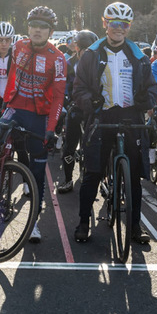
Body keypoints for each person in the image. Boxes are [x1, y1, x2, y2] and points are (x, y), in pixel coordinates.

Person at [73, 2, 156, 244]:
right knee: (93, 173)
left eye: (124, 24)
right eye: (114, 23)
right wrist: (91, 101)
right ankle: (83, 221)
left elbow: (152, 87)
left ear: (129, 27)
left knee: (133, 176)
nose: (119, 29)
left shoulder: (139, 56)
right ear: (104, 23)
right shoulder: (91, 54)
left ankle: (134, 225)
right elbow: (77, 90)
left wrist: (146, 99)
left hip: (131, 117)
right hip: (101, 116)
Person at [0, 6, 66, 244]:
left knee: (38, 173)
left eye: (43, 27)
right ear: (28, 27)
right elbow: (11, 74)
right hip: (15, 108)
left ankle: (34, 223)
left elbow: (59, 97)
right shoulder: (18, 47)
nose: (37, 30)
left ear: (50, 31)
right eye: (33, 25)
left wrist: (51, 129)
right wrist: (6, 103)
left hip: (40, 117)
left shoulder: (58, 59)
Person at [56, 29, 97, 193]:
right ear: (77, 48)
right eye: (84, 49)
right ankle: (67, 179)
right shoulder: (69, 64)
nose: (87, 52)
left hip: (93, 110)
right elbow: (62, 87)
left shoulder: (100, 63)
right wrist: (66, 102)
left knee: (95, 146)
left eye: (90, 49)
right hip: (75, 109)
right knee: (69, 147)